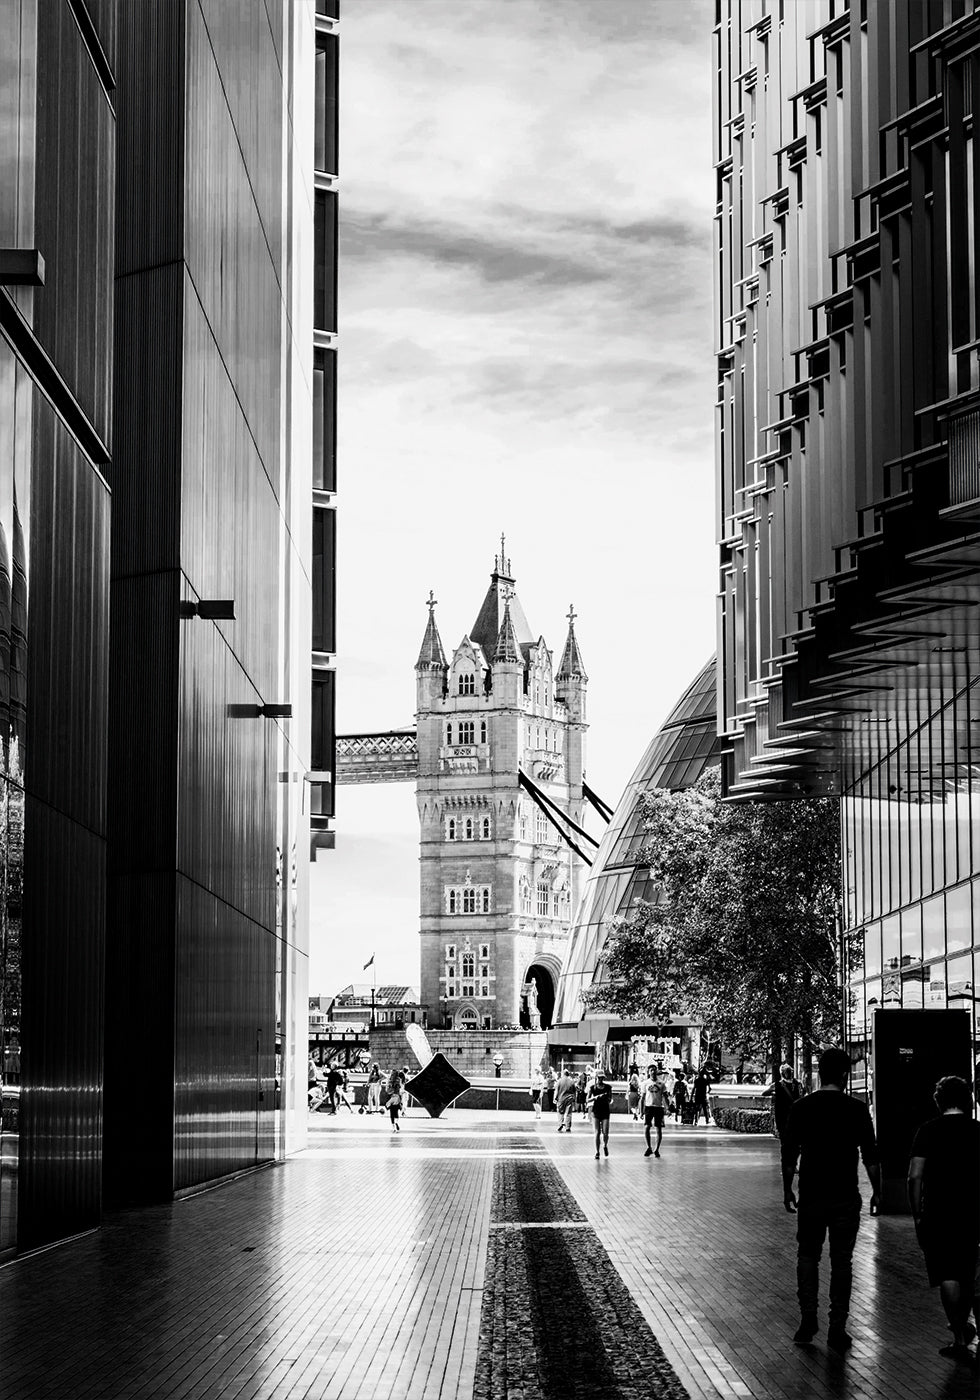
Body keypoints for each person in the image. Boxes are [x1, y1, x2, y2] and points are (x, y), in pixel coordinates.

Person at [781, 1046, 880, 1353]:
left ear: (819, 1073)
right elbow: (870, 1156)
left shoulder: (801, 1107)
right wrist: (877, 1190)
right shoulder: (857, 1109)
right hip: (844, 1195)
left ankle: (807, 1320)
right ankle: (837, 1327)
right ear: (845, 1075)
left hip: (812, 1194)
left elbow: (789, 1153)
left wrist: (788, 1188)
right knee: (842, 1262)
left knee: (808, 1255)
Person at [908, 1075, 980, 1362]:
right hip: (974, 1210)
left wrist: (917, 1214)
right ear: (968, 1099)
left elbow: (915, 1176)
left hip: (939, 1211)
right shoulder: (978, 1130)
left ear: (939, 1102)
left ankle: (959, 1339)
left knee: (949, 1274)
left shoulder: (928, 1131)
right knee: (972, 1273)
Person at [763, 1062, 803, 1139]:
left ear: (782, 1074)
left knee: (783, 1135)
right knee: (795, 1135)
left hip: (781, 1114)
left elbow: (764, 1093)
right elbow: (802, 1096)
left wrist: (774, 1094)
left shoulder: (777, 1085)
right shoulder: (798, 1084)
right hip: (795, 1113)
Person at [642, 1066, 670, 1158]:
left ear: (657, 1071)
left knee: (658, 1128)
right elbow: (642, 1098)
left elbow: (665, 1096)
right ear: (648, 1072)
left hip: (658, 1108)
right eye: (651, 1070)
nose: (653, 1072)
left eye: (654, 1070)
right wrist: (641, 1110)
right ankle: (649, 1147)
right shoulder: (645, 1083)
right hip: (649, 1107)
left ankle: (657, 1149)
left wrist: (668, 1108)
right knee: (647, 1127)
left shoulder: (661, 1083)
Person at [588, 1070, 613, 1158]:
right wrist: (596, 1097)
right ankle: (597, 1151)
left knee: (605, 1132)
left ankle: (605, 1145)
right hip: (596, 1111)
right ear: (596, 1078)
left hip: (605, 1110)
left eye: (602, 1078)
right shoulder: (593, 1088)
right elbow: (587, 1099)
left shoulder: (608, 1087)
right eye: (599, 1078)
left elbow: (610, 1099)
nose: (600, 1080)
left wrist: (607, 1098)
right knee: (597, 1132)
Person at [556, 1067, 577, 1133]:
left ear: (563, 1074)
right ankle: (568, 1127)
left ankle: (560, 1125)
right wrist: (574, 1098)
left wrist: (555, 1098)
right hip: (569, 1099)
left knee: (560, 1112)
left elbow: (556, 1090)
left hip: (561, 1099)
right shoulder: (571, 1081)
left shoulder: (559, 1081)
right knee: (568, 1113)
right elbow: (574, 1091)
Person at [386, 1067, 403, 1131]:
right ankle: (396, 1122)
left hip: (390, 1097)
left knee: (391, 1113)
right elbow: (400, 1089)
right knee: (396, 1112)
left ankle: (393, 1126)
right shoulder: (399, 1080)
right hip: (397, 1098)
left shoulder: (390, 1080)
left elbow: (387, 1090)